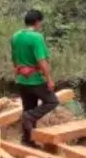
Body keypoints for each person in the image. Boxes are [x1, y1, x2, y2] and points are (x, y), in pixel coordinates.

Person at [11, 9, 58, 146]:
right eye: (40, 22)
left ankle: (27, 140)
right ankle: (30, 117)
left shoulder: (15, 36)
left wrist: (16, 75)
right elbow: (42, 60)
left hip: (21, 79)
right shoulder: (37, 37)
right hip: (35, 80)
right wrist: (49, 79)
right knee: (52, 101)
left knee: (29, 107)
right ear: (37, 22)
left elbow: (14, 59)